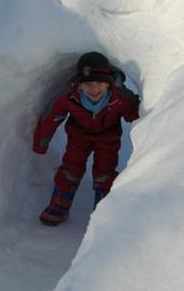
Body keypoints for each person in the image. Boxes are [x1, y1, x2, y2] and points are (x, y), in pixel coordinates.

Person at [32, 51, 140, 226]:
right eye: (88, 84)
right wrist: (41, 143)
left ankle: (104, 205)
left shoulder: (120, 97)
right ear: (80, 85)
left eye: (100, 83)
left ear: (108, 83)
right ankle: (60, 202)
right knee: (70, 168)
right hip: (78, 137)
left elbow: (137, 114)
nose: (94, 89)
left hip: (108, 139)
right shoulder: (70, 97)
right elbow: (52, 117)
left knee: (105, 171)